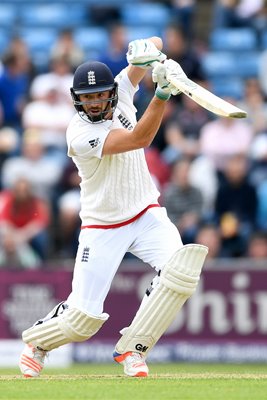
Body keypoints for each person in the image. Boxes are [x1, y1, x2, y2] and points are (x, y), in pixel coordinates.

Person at [19, 37, 208, 378]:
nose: (94, 103)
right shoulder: (78, 134)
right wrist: (162, 93)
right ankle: (37, 343)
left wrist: (147, 52)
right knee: (82, 321)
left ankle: (133, 350)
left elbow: (153, 46)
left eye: (99, 95)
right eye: (87, 98)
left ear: (110, 91)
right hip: (102, 226)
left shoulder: (120, 89)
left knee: (181, 273)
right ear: (77, 100)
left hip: (146, 212)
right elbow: (139, 139)